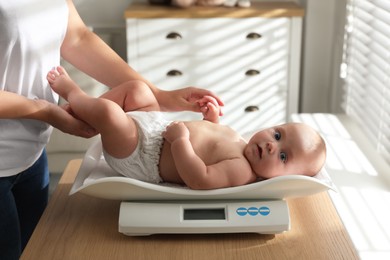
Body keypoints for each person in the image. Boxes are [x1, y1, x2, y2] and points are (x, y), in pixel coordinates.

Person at [0, 1, 222, 259]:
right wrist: (46, 110)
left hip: (32, 154)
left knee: (36, 250)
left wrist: (159, 95)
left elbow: (78, 38)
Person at [47, 66, 327, 191]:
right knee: (138, 90)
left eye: (283, 156)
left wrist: (181, 141)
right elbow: (210, 145)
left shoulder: (241, 171)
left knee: (110, 112)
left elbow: (200, 177)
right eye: (278, 135)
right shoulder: (241, 143)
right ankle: (87, 118)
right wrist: (211, 119)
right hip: (156, 130)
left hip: (141, 157)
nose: (271, 145)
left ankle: (75, 96)